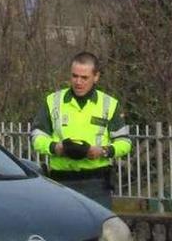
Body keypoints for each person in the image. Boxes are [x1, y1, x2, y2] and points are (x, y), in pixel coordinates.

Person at [31, 52, 131, 209]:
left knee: (98, 231)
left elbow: (124, 142)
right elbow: (37, 137)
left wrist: (102, 151)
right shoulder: (53, 101)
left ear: (96, 77)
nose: (78, 82)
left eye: (84, 78)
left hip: (97, 183)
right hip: (61, 182)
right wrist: (55, 148)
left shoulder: (109, 104)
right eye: (74, 76)